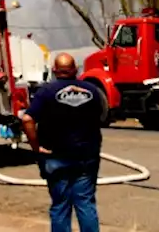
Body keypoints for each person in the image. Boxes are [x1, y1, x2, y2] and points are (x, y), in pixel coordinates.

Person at [19, 52, 107, 232]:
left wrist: (36, 147)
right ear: (75, 70)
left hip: (55, 156)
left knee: (60, 206)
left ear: (54, 70)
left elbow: (27, 119)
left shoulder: (46, 92)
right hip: (86, 156)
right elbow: (102, 117)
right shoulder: (93, 91)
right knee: (85, 203)